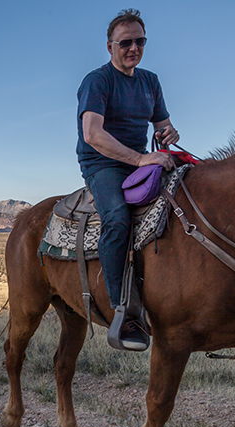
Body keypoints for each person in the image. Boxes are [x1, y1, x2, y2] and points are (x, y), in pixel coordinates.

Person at [77, 9, 178, 350]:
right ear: (110, 47)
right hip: (102, 164)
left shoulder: (150, 81)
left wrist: (167, 134)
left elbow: (162, 124)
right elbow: (92, 134)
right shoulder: (98, 81)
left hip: (139, 162)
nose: (133, 48)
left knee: (183, 202)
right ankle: (124, 310)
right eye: (125, 42)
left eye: (139, 41)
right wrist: (139, 158)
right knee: (118, 219)